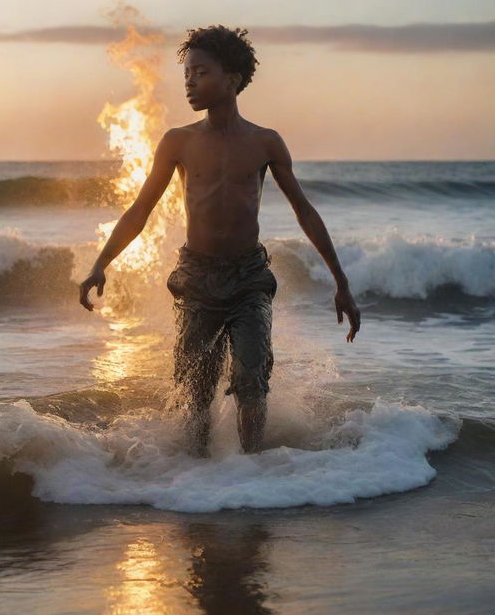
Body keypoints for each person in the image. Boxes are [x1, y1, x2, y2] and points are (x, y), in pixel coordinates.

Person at [79, 25, 361, 457]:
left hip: (249, 277)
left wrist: (340, 282)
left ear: (231, 79)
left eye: (201, 72)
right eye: (186, 73)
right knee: (196, 387)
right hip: (196, 278)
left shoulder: (265, 142)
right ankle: (195, 479)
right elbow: (141, 209)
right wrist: (102, 262)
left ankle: (251, 477)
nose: (189, 81)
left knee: (251, 381)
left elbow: (304, 210)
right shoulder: (179, 141)